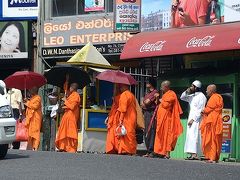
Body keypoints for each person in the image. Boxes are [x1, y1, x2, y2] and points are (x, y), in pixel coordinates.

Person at [154, 80, 183, 159]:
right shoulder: (165, 94)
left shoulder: (171, 94)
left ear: (166, 87)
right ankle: (160, 152)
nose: (160, 88)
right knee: (161, 135)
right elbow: (159, 104)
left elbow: (166, 105)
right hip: (161, 119)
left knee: (167, 136)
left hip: (167, 119)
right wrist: (157, 98)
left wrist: (161, 100)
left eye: (161, 86)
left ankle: (167, 153)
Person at [180, 80, 207, 160]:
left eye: (192, 86)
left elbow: (200, 109)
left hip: (196, 119)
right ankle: (192, 154)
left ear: (196, 87)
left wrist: (193, 119)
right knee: (191, 136)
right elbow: (182, 97)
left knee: (195, 136)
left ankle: (195, 154)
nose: (190, 87)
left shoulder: (202, 96)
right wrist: (186, 91)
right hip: (191, 118)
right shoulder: (193, 96)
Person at [200, 84, 223, 163]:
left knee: (212, 139)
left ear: (211, 91)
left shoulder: (214, 98)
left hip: (213, 121)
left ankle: (212, 158)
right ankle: (213, 157)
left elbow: (208, 109)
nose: (206, 91)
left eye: (207, 90)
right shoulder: (218, 97)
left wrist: (203, 111)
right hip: (216, 120)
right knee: (215, 139)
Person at [55, 83, 80, 153]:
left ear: (73, 88)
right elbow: (65, 88)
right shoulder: (71, 95)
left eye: (70, 87)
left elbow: (72, 106)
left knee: (70, 133)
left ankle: (71, 148)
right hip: (66, 115)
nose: (69, 88)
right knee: (64, 131)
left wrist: (65, 100)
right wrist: (67, 80)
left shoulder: (76, 95)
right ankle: (63, 146)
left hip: (71, 116)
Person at [115, 83, 137, 155]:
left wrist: (120, 120)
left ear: (125, 87)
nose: (120, 89)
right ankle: (126, 150)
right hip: (132, 117)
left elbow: (123, 109)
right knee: (129, 133)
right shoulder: (131, 95)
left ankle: (129, 150)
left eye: (121, 87)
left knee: (127, 134)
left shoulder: (124, 95)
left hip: (127, 117)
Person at [141, 77, 159, 157]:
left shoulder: (155, 92)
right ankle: (148, 150)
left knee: (150, 131)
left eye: (148, 82)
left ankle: (151, 150)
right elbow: (143, 104)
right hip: (146, 113)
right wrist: (144, 102)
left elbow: (146, 103)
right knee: (146, 131)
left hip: (151, 113)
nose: (146, 84)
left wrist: (144, 102)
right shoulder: (148, 93)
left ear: (151, 84)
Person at [24, 87, 42, 151]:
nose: (30, 90)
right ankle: (31, 146)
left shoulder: (38, 98)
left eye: (31, 89)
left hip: (36, 118)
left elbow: (35, 106)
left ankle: (35, 147)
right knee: (31, 133)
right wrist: (27, 101)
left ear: (35, 90)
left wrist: (27, 102)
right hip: (32, 118)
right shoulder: (32, 98)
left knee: (35, 132)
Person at [105, 84, 121, 154]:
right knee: (111, 134)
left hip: (117, 118)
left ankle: (116, 148)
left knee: (115, 134)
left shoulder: (121, 97)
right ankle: (111, 148)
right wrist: (108, 117)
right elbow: (112, 110)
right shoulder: (115, 99)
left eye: (116, 89)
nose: (114, 91)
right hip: (112, 118)